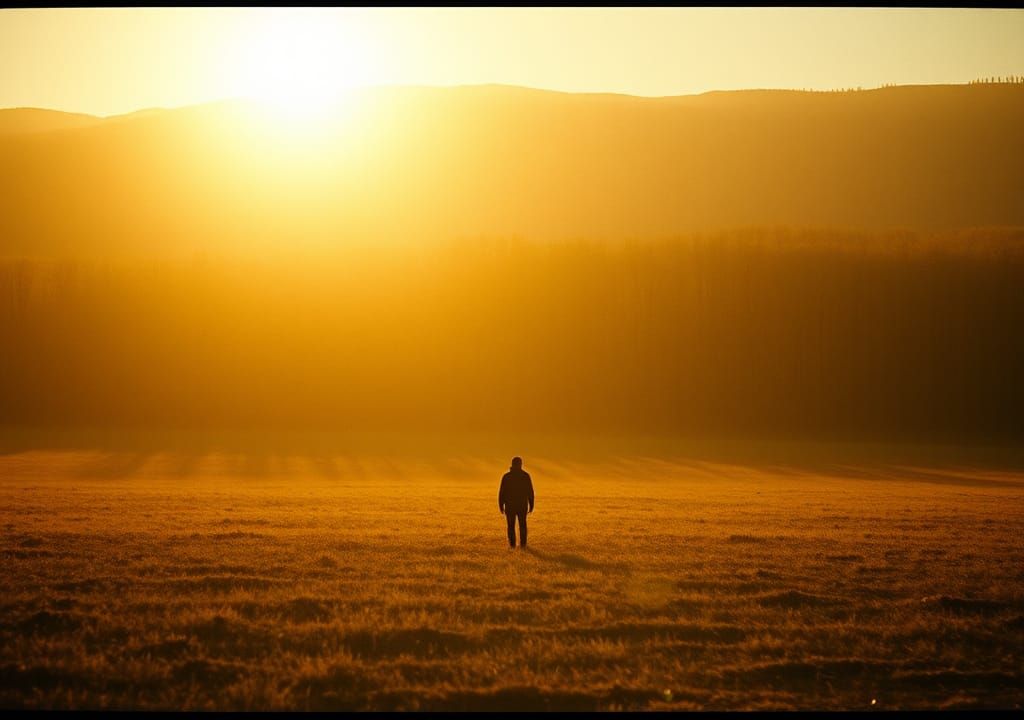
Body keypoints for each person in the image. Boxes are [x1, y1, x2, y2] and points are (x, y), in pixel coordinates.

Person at [498, 456, 534, 549]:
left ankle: (515, 545)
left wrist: (501, 505)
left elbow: (502, 492)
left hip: (512, 506)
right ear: (520, 464)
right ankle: (520, 545)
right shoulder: (525, 476)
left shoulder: (507, 476)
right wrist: (531, 504)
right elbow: (530, 491)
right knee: (520, 525)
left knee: (513, 526)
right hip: (520, 505)